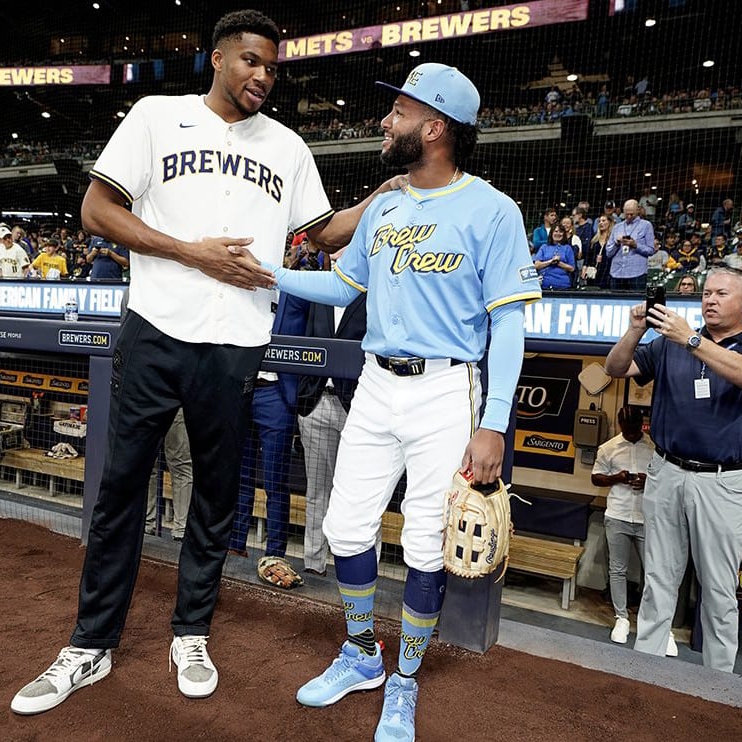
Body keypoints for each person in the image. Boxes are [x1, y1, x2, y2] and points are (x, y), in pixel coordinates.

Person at [10, 10, 400, 716]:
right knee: (121, 490)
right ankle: (89, 643)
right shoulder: (158, 115)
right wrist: (192, 251)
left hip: (236, 344)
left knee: (217, 502)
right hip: (156, 330)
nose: (263, 76)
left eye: (273, 67)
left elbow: (319, 234)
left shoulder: (286, 146)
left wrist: (379, 200)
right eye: (251, 61)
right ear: (217, 58)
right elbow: (96, 210)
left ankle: (191, 631)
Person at [266, 62, 539, 742]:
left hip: (447, 389)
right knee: (347, 528)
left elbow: (509, 324)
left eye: (400, 111)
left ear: (436, 127)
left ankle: (405, 680)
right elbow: (342, 288)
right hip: (375, 384)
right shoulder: (386, 206)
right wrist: (268, 274)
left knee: (424, 544)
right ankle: (362, 654)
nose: (386, 121)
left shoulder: (494, 210)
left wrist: (495, 424)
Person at [604, 267, 742, 672]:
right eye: (706, 293)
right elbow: (615, 368)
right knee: (658, 580)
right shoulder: (668, 345)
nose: (710, 300)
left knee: (720, 589)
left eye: (722, 293)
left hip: (724, 481)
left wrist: (690, 339)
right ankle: (646, 673)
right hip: (667, 471)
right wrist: (635, 331)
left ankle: (718, 686)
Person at [290, 251, 367, 576]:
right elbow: (302, 338)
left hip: (357, 409)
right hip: (316, 403)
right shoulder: (319, 291)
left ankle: (359, 571)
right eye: (333, 249)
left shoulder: (371, 292)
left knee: (359, 496)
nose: (337, 253)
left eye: (346, 245)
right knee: (317, 490)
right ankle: (313, 564)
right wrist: (304, 394)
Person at [228, 293, 305, 587]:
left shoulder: (291, 294)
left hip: (276, 395)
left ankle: (275, 554)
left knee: (275, 482)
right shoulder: (242, 293)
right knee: (240, 476)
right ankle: (235, 544)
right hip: (243, 390)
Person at [591, 406, 655, 646]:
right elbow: (596, 477)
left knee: (652, 572)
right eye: (626, 429)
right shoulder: (608, 448)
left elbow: (665, 480)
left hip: (646, 517)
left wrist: (648, 482)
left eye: (634, 429)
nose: (630, 433)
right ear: (620, 425)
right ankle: (622, 618)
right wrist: (617, 478)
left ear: (641, 425)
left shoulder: (655, 449)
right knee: (617, 570)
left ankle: (653, 622)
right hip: (618, 514)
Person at [144, 410, 193, 541]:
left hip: (178, 402)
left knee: (180, 465)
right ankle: (147, 523)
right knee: (146, 463)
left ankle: (181, 530)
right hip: (151, 400)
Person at [605, 199, 656, 291]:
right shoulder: (617, 227)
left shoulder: (646, 225)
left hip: (637, 273)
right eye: (626, 214)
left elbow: (651, 250)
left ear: (638, 210)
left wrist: (635, 245)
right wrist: (616, 243)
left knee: (636, 303)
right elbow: (608, 253)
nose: (629, 216)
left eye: (631, 214)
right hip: (617, 273)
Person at [532, 224, 576, 290]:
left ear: (564, 234)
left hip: (563, 285)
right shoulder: (544, 247)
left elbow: (572, 268)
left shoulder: (567, 248)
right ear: (551, 233)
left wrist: (559, 263)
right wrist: (550, 261)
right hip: (544, 284)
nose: (558, 233)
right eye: (556, 231)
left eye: (561, 232)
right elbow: (536, 265)